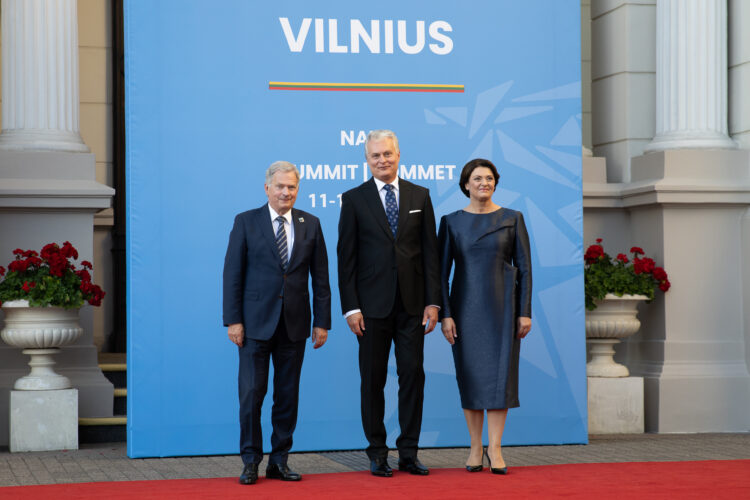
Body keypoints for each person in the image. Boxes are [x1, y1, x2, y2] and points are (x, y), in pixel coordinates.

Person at [337, 129, 441, 477]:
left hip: (412, 306)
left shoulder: (420, 195)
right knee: (373, 380)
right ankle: (377, 453)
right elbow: (346, 259)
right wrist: (351, 308)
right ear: (366, 160)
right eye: (375, 156)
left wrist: (433, 303)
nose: (382, 160)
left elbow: (430, 255)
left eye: (387, 154)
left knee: (413, 376)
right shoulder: (353, 199)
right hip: (369, 310)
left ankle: (408, 452)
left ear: (399, 155)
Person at [223, 161, 331, 485]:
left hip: (295, 326)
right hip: (254, 326)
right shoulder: (246, 222)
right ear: (267, 188)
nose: (286, 192)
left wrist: (322, 322)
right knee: (252, 395)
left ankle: (279, 461)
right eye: (280, 186)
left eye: (292, 187)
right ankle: (250, 461)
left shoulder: (310, 223)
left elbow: (321, 279)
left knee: (287, 397)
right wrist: (233, 321)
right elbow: (232, 275)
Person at [438, 158, 532, 475]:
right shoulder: (450, 222)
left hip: (504, 310)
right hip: (464, 311)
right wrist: (445, 316)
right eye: (477, 178)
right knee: (471, 377)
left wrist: (525, 313)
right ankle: (475, 446)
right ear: (466, 184)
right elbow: (441, 276)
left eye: (489, 178)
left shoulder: (513, 218)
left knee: (500, 378)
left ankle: (495, 447)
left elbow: (526, 270)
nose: (484, 183)